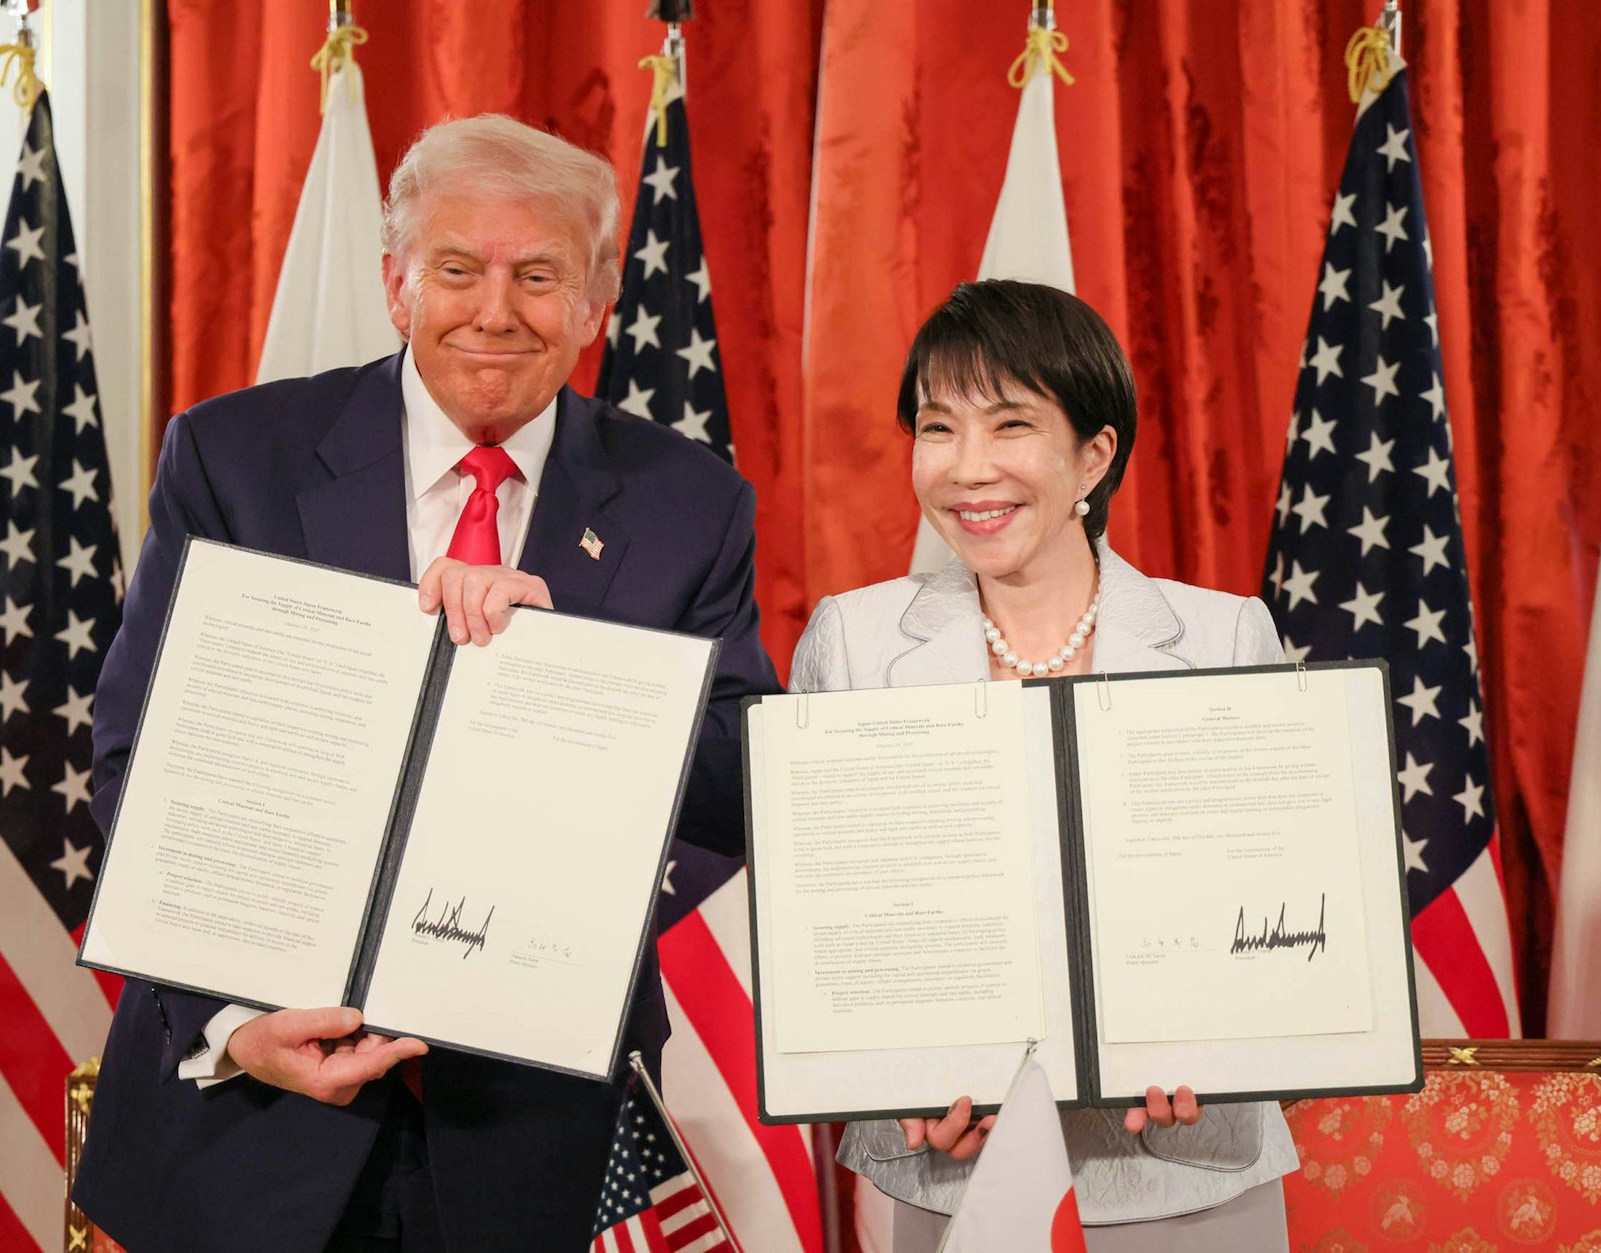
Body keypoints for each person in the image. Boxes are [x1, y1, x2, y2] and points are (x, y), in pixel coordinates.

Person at [73, 115, 777, 1253]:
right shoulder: (235, 458)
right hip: (245, 1125)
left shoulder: (690, 504)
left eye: (537, 275)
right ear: (397, 285)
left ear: (597, 303)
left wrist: (570, 679)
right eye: (456, 269)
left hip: (536, 1141)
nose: (494, 311)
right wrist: (234, 1021)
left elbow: (736, 789)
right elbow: (137, 758)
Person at [792, 280, 1298, 1250]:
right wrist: (898, 1080)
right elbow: (829, 927)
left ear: (1093, 455)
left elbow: (1272, 915)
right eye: (937, 428)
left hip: (1181, 1175)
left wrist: (1228, 1042)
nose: (967, 468)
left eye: (1010, 424)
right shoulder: (852, 642)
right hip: (955, 1173)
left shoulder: (1222, 637)